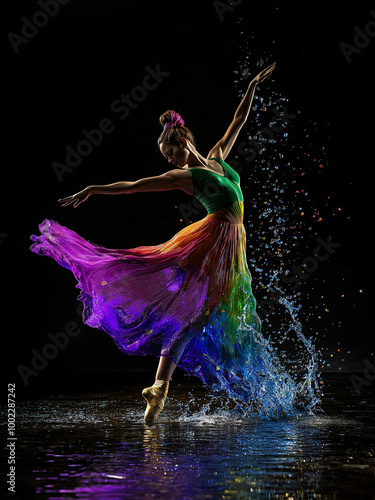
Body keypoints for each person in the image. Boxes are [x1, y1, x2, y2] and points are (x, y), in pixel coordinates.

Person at [30, 62, 276, 424]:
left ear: (184, 143)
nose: (169, 161)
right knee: (191, 314)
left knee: (199, 318)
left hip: (229, 246)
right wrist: (93, 189)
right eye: (167, 159)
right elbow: (133, 186)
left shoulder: (218, 160)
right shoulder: (184, 176)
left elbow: (238, 120)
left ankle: (159, 391)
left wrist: (253, 84)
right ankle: (161, 387)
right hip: (211, 243)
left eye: (170, 154)